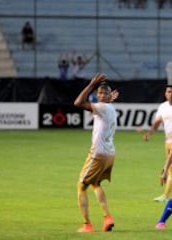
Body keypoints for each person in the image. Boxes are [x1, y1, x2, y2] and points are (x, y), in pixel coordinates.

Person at [73, 73, 118, 233]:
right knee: (95, 183)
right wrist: (107, 99)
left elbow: (77, 103)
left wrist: (92, 84)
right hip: (110, 153)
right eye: (99, 92)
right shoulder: (110, 108)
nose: (101, 95)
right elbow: (102, 106)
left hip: (98, 153)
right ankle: (107, 218)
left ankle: (87, 224)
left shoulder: (102, 107)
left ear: (108, 96)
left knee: (81, 186)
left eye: (104, 93)